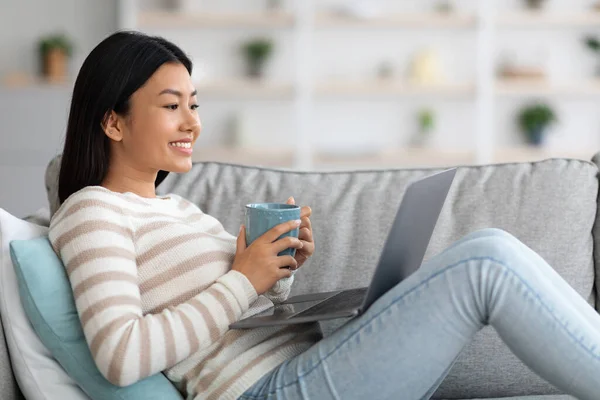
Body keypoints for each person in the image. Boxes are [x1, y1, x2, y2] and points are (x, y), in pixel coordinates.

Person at [48, 31, 600, 400]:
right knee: (487, 258)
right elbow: (120, 355)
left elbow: (235, 321)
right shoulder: (92, 212)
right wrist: (244, 278)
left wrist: (277, 277)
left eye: (195, 103)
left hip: (305, 366)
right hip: (270, 391)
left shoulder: (176, 208)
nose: (192, 122)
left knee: (485, 255)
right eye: (172, 106)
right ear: (113, 123)